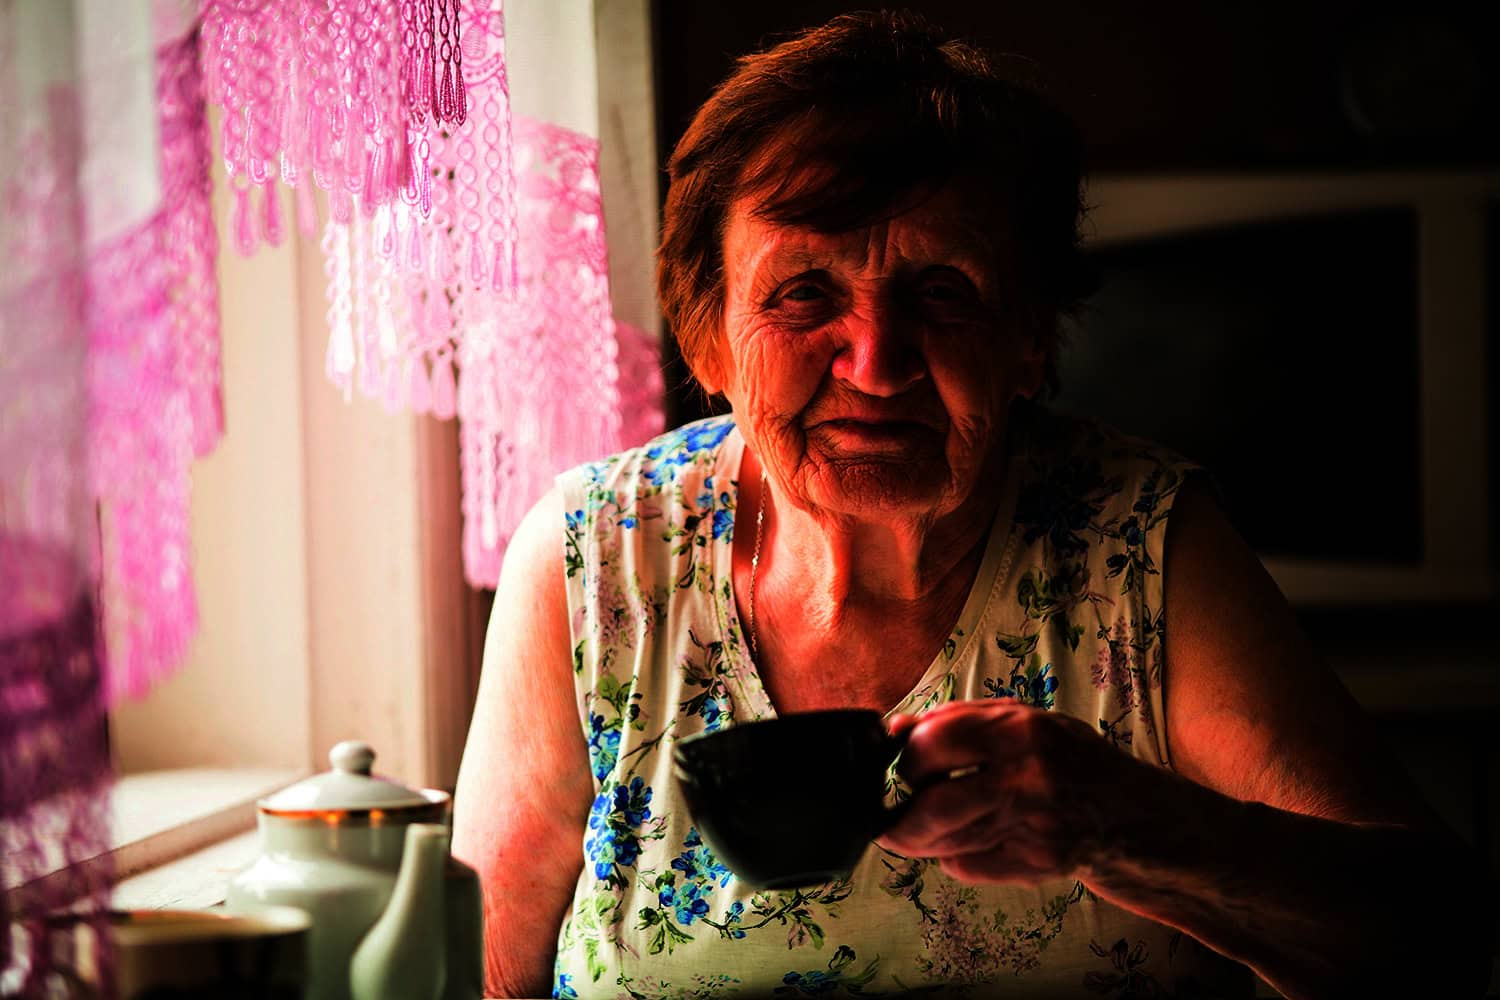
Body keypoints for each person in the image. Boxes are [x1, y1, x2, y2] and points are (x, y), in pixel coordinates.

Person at [452, 11, 1489, 999]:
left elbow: (1435, 948)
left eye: (942, 290)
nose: (876, 359)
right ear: (709, 339)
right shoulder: (596, 557)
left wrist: (1128, 828)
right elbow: (478, 971)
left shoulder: (1140, 546)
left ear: (1030, 338)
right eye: (805, 292)